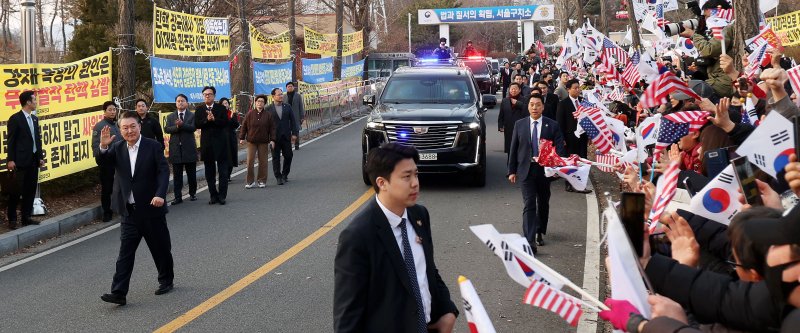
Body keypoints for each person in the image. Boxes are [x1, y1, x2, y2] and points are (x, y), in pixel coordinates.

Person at [333, 143, 458, 333]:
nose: (415, 183)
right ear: (382, 183)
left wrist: (448, 311)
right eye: (406, 177)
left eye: (416, 174)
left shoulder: (419, 216)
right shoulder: (358, 236)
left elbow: (427, 270)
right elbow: (348, 314)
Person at [97, 111, 173, 306]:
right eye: (125, 127)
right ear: (120, 130)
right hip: (129, 211)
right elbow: (103, 163)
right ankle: (119, 292)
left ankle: (166, 280)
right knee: (125, 254)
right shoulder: (117, 147)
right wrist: (103, 147)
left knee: (160, 248)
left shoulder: (153, 146)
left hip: (151, 209)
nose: (129, 130)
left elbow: (163, 172)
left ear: (139, 126)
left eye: (132, 126)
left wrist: (160, 194)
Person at [507, 94, 566, 249]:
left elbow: (560, 148)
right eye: (532, 104)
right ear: (528, 107)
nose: (534, 107)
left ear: (543, 107)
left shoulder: (552, 125)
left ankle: (539, 230)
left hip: (545, 171)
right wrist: (511, 170)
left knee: (543, 202)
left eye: (538, 105)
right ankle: (529, 240)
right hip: (526, 170)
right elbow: (514, 149)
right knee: (529, 203)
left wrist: (556, 164)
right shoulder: (520, 124)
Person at [5, 91, 43, 229]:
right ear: (27, 102)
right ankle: (12, 220)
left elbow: (37, 140)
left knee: (30, 190)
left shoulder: (34, 119)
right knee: (16, 191)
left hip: (33, 161)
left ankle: (26, 217)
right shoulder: (15, 119)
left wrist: (40, 157)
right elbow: (10, 141)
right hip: (19, 162)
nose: (36, 102)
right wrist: (10, 160)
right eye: (34, 99)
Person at [195, 86, 231, 205]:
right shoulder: (199, 109)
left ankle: (222, 196)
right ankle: (213, 195)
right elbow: (197, 124)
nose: (207, 96)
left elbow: (225, 122)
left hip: (221, 143)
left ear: (214, 96)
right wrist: (207, 120)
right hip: (207, 144)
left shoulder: (221, 108)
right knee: (209, 173)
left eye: (209, 94)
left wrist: (214, 119)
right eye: (205, 94)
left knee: (223, 172)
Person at [556, 79, 592, 193]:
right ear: (568, 89)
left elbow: (589, 119)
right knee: (571, 161)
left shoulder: (583, 102)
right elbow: (560, 123)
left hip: (583, 136)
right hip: (570, 137)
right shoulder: (563, 104)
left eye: (578, 88)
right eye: (575, 88)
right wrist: (561, 139)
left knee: (582, 160)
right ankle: (569, 184)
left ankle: (581, 184)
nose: (577, 90)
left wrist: (590, 135)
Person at [163, 94, 198, 205]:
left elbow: (193, 127)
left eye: (182, 101)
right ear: (176, 103)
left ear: (187, 103)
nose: (180, 103)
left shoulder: (192, 116)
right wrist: (177, 127)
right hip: (175, 149)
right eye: (178, 101)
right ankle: (178, 197)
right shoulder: (171, 116)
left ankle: (192, 193)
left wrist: (182, 125)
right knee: (177, 176)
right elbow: (167, 129)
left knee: (191, 174)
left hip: (189, 149)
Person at [93, 101, 122, 222]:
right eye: (110, 109)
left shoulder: (117, 125)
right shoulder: (100, 126)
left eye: (114, 109)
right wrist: (101, 153)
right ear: (104, 111)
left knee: (121, 186)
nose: (112, 112)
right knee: (107, 188)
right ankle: (107, 212)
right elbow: (95, 146)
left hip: (120, 161)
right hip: (106, 162)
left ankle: (121, 207)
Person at [239, 94, 276, 189]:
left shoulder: (268, 115)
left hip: (263, 142)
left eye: (262, 102)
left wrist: (272, 140)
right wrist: (242, 138)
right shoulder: (250, 114)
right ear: (255, 103)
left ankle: (262, 180)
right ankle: (250, 181)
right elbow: (244, 126)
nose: (260, 103)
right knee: (250, 162)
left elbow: (272, 128)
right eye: (258, 101)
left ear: (264, 104)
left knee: (263, 162)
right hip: (251, 141)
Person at [268, 88, 298, 185]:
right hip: (274, 138)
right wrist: (269, 139)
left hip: (286, 136)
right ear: (273, 97)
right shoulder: (268, 109)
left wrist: (294, 134)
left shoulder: (287, 107)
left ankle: (285, 174)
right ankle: (278, 176)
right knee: (275, 158)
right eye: (279, 94)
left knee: (289, 156)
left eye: (281, 94)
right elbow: (266, 125)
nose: (281, 96)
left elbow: (293, 121)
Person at [498, 83, 528, 154]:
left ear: (519, 90)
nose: (513, 91)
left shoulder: (525, 100)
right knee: (510, 149)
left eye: (515, 89)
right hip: (508, 128)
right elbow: (501, 115)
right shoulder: (505, 101)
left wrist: (517, 103)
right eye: (512, 89)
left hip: (521, 128)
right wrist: (500, 126)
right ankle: (510, 164)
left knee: (519, 149)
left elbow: (527, 111)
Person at [220, 97, 239, 182]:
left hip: (231, 138)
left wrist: (231, 118)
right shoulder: (217, 114)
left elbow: (236, 125)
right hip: (221, 138)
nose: (225, 105)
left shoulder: (232, 113)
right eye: (223, 103)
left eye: (226, 103)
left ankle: (228, 175)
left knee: (231, 157)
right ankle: (223, 175)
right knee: (223, 158)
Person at [284, 82, 305, 150]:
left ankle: (296, 144)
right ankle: (288, 145)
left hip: (296, 116)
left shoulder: (297, 96)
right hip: (286, 117)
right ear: (286, 88)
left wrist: (302, 116)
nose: (290, 88)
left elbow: (301, 106)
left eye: (291, 86)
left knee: (296, 131)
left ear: (293, 87)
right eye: (288, 87)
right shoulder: (284, 96)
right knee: (287, 131)